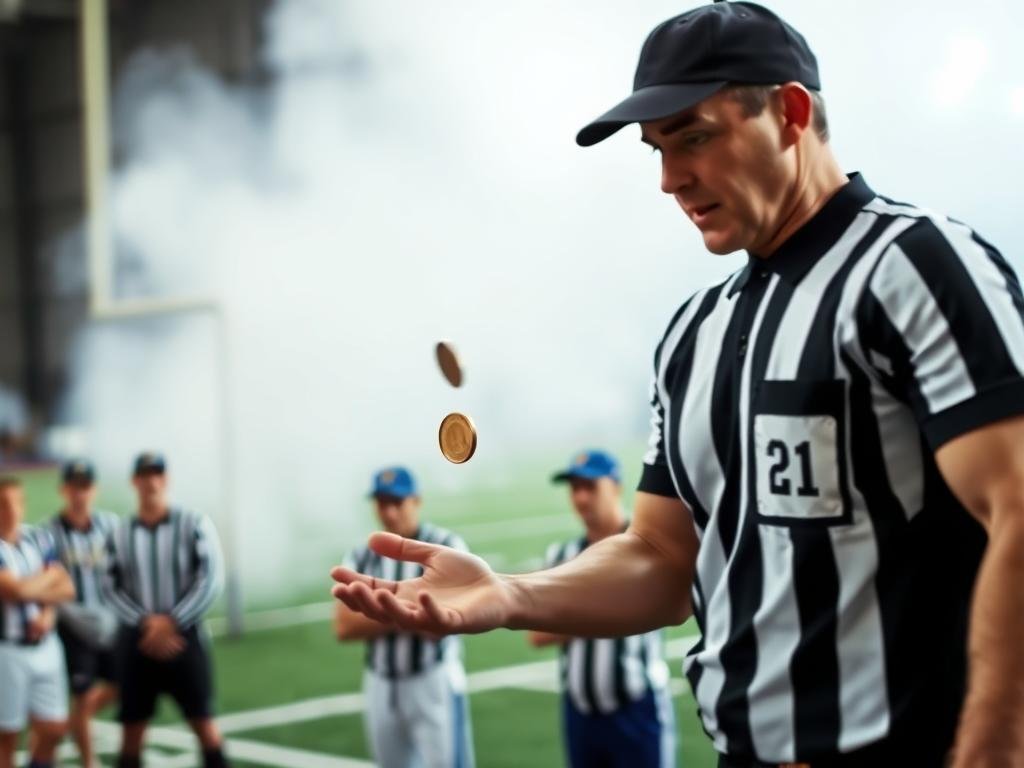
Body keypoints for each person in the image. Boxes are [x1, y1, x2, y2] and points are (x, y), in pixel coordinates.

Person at [330, 3, 1024, 766]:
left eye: (694, 136)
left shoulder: (915, 268)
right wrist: (512, 595)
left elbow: (1019, 510)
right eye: (656, 149)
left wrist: (991, 751)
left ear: (790, 113)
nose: (669, 178)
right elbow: (661, 558)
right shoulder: (695, 333)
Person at [529, 450, 674, 768]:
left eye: (590, 486)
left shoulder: (647, 546)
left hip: (637, 706)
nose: (581, 497)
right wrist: (604, 604)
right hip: (579, 710)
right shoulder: (563, 554)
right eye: (574, 487)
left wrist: (571, 611)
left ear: (616, 486)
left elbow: (657, 607)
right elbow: (538, 634)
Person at [334, 467, 474, 768]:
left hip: (432, 677)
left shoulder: (446, 547)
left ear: (416, 501)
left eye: (397, 502)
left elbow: (449, 620)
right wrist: (407, 612)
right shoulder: (362, 556)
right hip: (380, 681)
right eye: (382, 503)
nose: (389, 512)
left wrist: (378, 610)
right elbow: (344, 626)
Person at [102, 453, 230, 768]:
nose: (151, 482)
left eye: (157, 474)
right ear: (135, 481)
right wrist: (146, 623)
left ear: (167, 478)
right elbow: (108, 586)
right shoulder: (120, 532)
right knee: (132, 732)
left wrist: (173, 621)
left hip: (184, 639)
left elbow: (212, 579)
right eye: (144, 475)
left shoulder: (194, 523)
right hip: (137, 641)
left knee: (205, 726)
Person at [42, 460, 120, 768]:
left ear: (94, 490)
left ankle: (72, 723)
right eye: (74, 487)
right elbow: (45, 578)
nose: (80, 494)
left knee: (122, 684)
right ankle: (90, 761)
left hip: (109, 622)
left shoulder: (110, 526)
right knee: (83, 694)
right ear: (64, 490)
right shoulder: (49, 532)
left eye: (85, 486)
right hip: (72, 625)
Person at [0, 476, 75, 768]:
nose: (12, 510)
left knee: (54, 728)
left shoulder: (37, 537)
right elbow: (12, 590)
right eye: (4, 504)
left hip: (46, 645)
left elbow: (66, 587)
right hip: (8, 650)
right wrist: (47, 582)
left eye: (17, 502)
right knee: (7, 736)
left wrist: (47, 611)